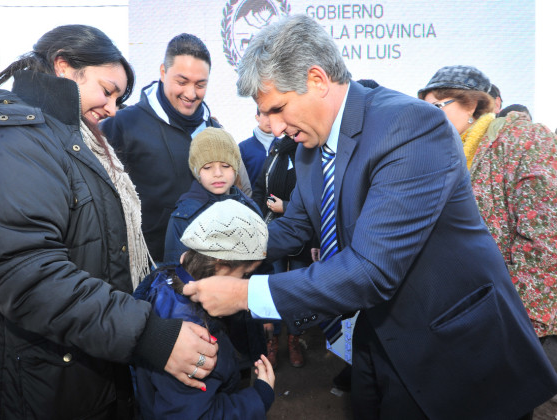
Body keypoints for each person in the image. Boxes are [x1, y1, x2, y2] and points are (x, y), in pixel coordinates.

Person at [183, 14, 557, 419]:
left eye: (277, 108)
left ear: (317, 80)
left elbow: (369, 270)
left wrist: (244, 294)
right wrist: (224, 253)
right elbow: (298, 225)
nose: (272, 128)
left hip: (458, 351)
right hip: (377, 336)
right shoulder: (310, 151)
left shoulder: (409, 126)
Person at [0, 25, 218, 419]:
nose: (114, 108)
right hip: (39, 379)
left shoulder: (66, 137)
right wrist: (148, 335)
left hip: (80, 360)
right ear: (65, 66)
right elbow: (28, 275)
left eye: (120, 97)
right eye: (108, 90)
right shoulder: (12, 141)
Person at [418, 65, 557, 374]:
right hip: (473, 312)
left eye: (436, 108)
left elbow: (545, 241)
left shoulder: (524, 142)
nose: (428, 118)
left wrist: (520, 324)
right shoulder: (451, 151)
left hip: (520, 319)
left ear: (470, 103)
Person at [101, 33, 251, 263]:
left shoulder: (214, 130)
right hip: (149, 266)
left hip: (210, 265)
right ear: (163, 72)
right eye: (182, 82)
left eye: (200, 85)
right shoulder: (121, 125)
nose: (191, 94)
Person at [133, 199, 274, 419]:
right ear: (221, 265)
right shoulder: (196, 339)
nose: (245, 282)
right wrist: (259, 397)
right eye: (245, 274)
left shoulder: (165, 281)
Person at [251, 135, 311, 369]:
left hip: (302, 236)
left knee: (298, 290)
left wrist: (285, 207)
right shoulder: (275, 154)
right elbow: (258, 189)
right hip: (271, 233)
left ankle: (294, 339)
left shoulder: (309, 156)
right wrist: (257, 216)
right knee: (271, 289)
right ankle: (272, 341)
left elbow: (313, 199)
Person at [163, 127, 260, 265]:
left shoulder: (250, 208)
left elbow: (263, 266)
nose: (218, 173)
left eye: (226, 165)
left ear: (236, 167)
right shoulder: (184, 216)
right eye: (208, 167)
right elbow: (174, 270)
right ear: (197, 172)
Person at [239, 108, 278, 187]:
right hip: (251, 198)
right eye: (266, 115)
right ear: (257, 117)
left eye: (273, 116)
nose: (270, 120)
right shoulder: (243, 147)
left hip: (279, 199)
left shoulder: (283, 146)